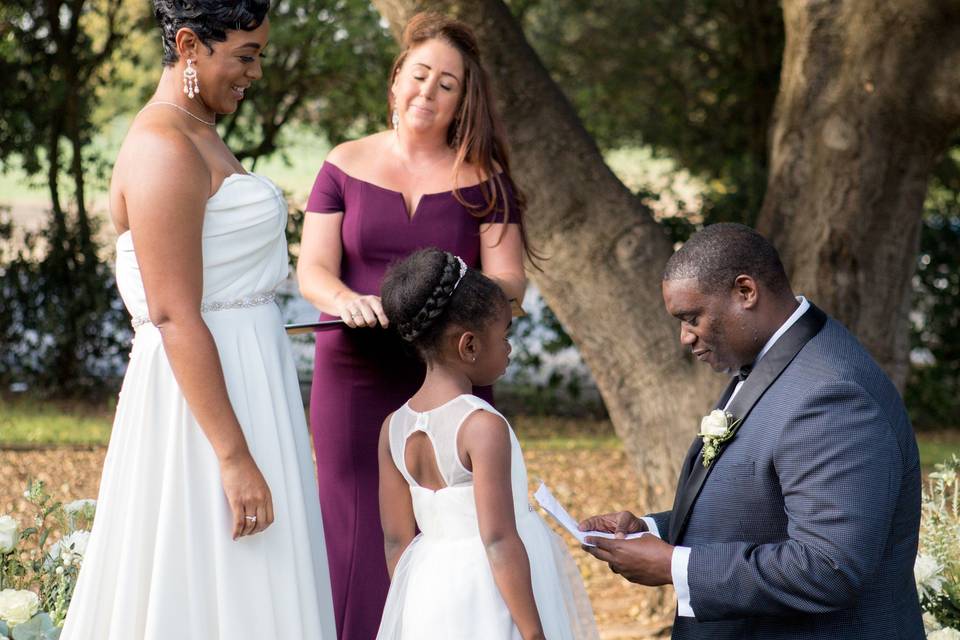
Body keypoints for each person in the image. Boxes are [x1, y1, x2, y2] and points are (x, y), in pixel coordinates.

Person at [61, 2, 336, 638]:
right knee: (205, 581)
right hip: (203, 418)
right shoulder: (162, 146)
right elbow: (174, 313)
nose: (256, 72)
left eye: (260, 55)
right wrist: (234, 456)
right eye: (246, 55)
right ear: (189, 45)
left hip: (249, 389)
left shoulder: (199, 132)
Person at [296, 12, 529, 638]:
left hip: (448, 377)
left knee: (450, 527)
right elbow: (313, 270)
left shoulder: (487, 183)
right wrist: (345, 299)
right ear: (397, 79)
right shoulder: (342, 164)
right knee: (355, 530)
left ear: (462, 100)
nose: (428, 92)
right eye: (420, 75)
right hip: (352, 373)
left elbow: (509, 284)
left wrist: (448, 286)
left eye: (447, 84)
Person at [579, 223, 924, 639]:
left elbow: (829, 566)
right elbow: (760, 508)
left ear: (745, 292)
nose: (685, 338)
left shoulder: (832, 394)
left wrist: (675, 566)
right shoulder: (777, 359)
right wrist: (650, 533)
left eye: (691, 318)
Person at [374, 248, 596, 640]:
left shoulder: (393, 428)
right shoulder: (481, 425)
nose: (509, 347)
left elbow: (396, 540)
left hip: (428, 592)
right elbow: (498, 539)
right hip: (493, 593)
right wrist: (532, 632)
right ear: (470, 346)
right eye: (504, 335)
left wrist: (413, 602)